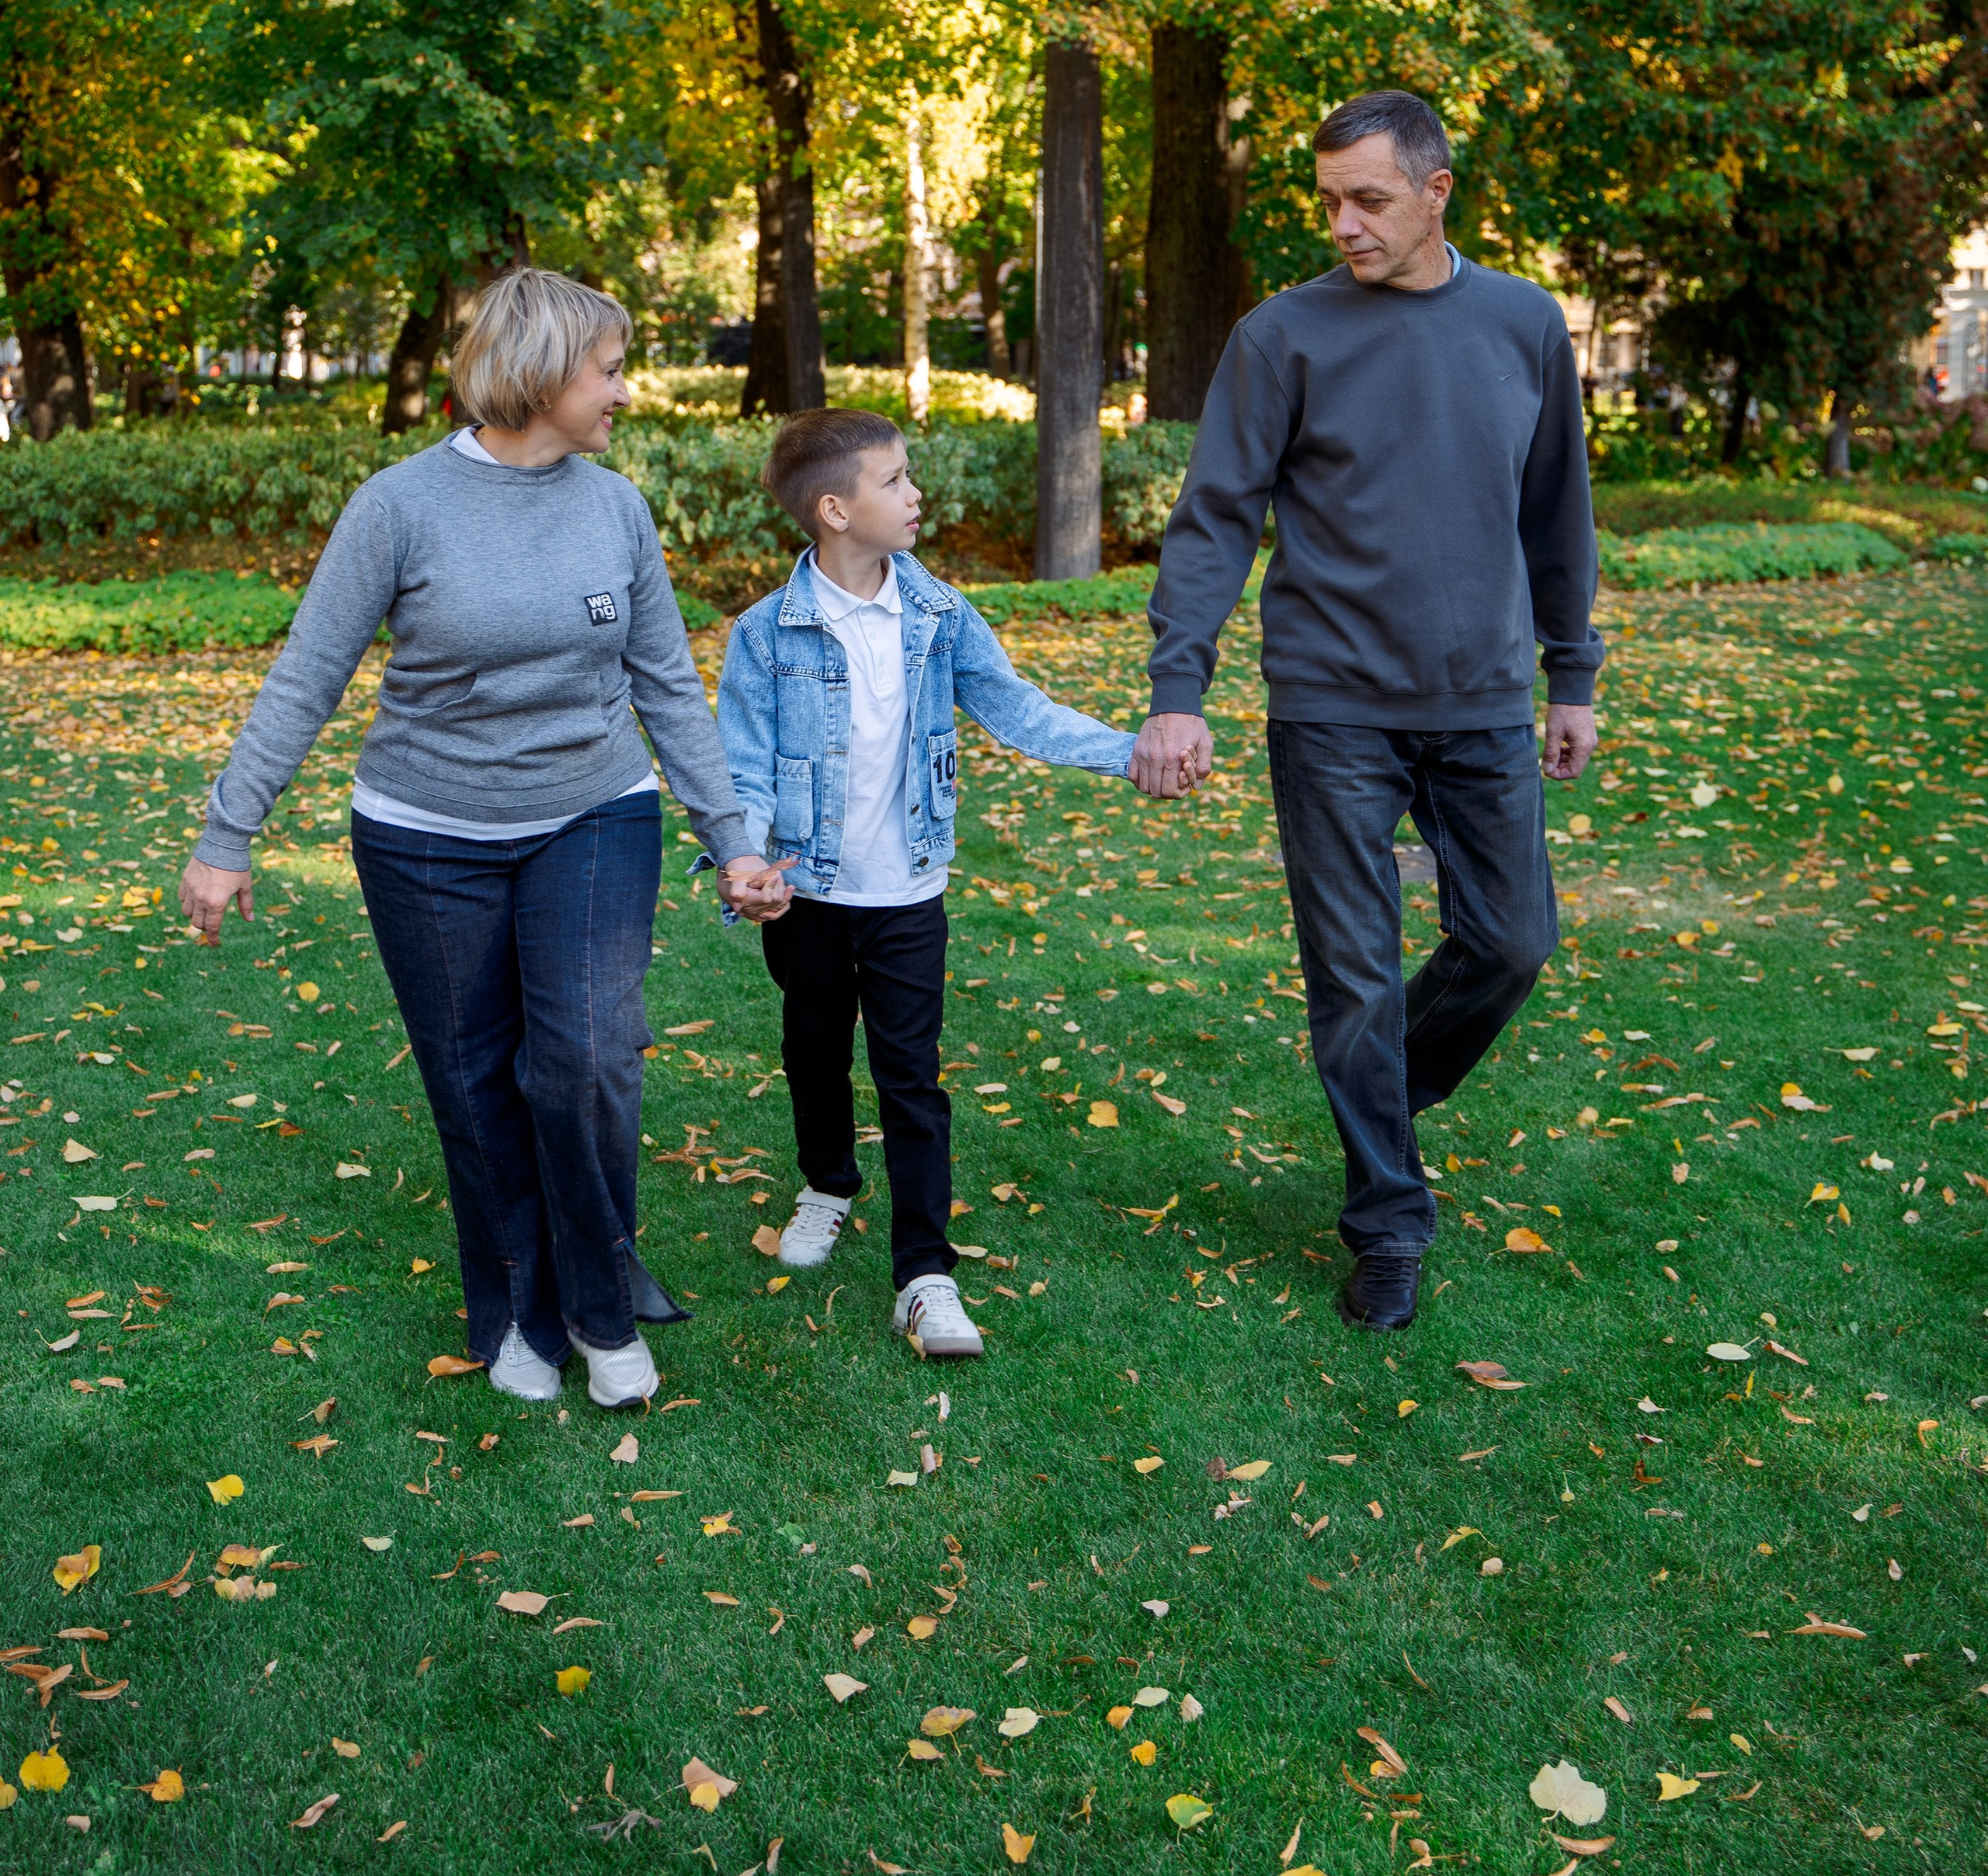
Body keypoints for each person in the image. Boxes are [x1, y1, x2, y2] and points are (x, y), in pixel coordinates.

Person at [177, 267, 791, 1409]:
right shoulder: (399, 506)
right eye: (609, 370)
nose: (624, 392)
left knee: (585, 1062)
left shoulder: (614, 507)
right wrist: (228, 832)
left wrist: (735, 841)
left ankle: (602, 1309)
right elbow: (308, 675)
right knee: (474, 1087)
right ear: (544, 374)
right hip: (425, 836)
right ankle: (513, 1311)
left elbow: (666, 683)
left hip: (593, 811)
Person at [1131, 89, 1603, 1332]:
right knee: (1351, 978)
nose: (1345, 224)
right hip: (1332, 704)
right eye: (1331, 201)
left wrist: (1573, 672)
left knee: (1513, 943)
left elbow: (1557, 508)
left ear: (1437, 193)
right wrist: (1179, 690)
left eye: (1370, 200)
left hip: (1485, 697)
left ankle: (1377, 1092)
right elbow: (1215, 518)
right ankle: (1389, 1224)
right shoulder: (1282, 336)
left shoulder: (1522, 322)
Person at [718, 408, 1142, 1360]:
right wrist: (742, 864)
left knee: (910, 1076)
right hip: (807, 896)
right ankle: (828, 1184)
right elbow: (742, 768)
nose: (916, 495)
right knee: (815, 1053)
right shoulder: (765, 633)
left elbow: (1017, 710)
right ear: (835, 510)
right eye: (895, 480)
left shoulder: (941, 615)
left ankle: (923, 1274)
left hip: (907, 894)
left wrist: (1129, 753)